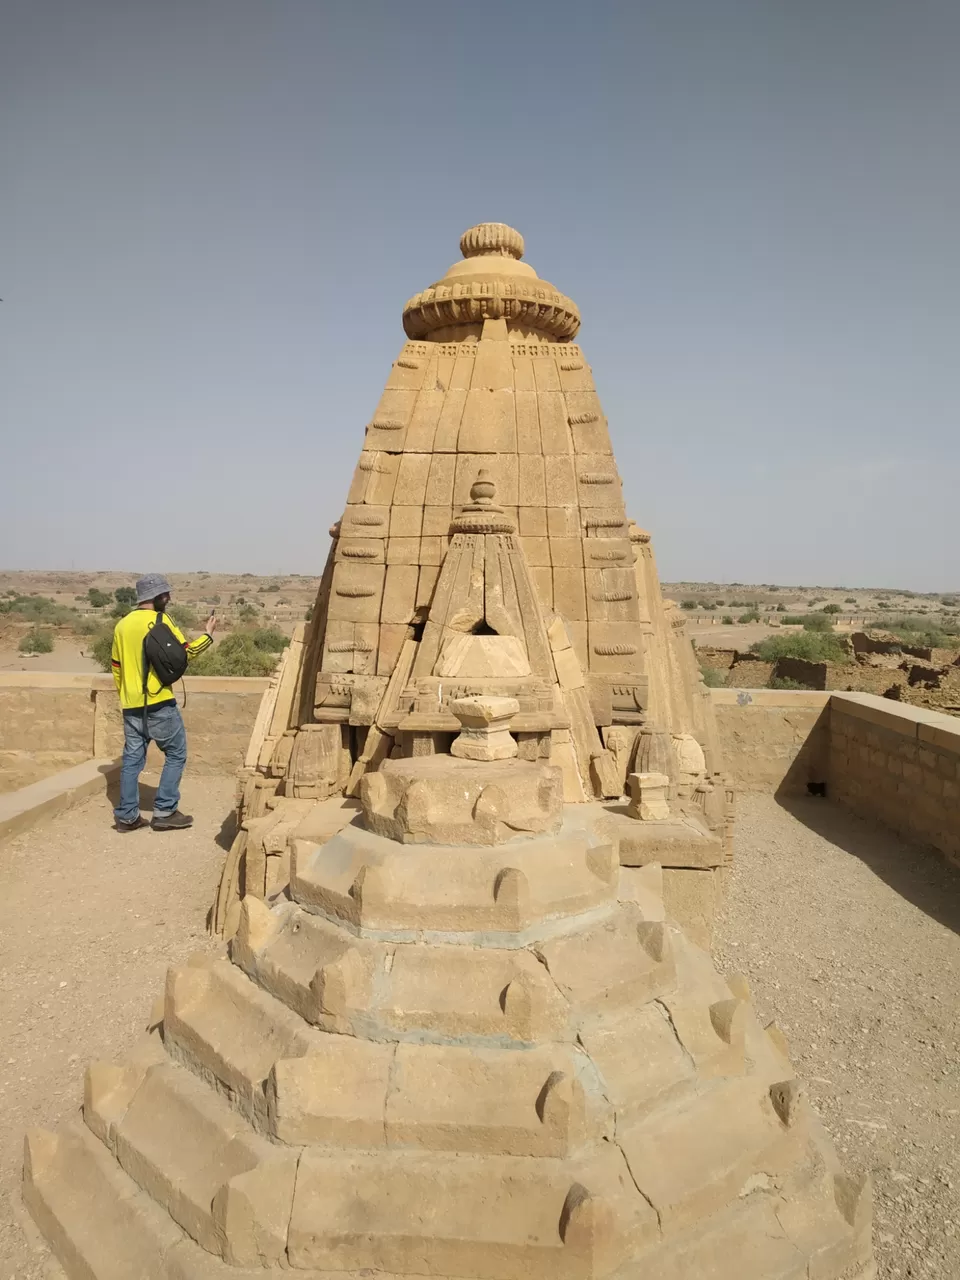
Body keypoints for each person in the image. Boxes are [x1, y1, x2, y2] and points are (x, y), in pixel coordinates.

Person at [110, 573, 216, 832]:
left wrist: (127, 695)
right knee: (176, 754)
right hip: (159, 702)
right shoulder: (162, 620)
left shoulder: (122, 625)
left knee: (132, 760)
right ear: (155, 597)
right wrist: (208, 636)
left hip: (131, 705)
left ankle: (127, 817)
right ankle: (165, 811)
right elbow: (186, 652)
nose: (168, 599)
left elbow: (116, 667)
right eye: (165, 595)